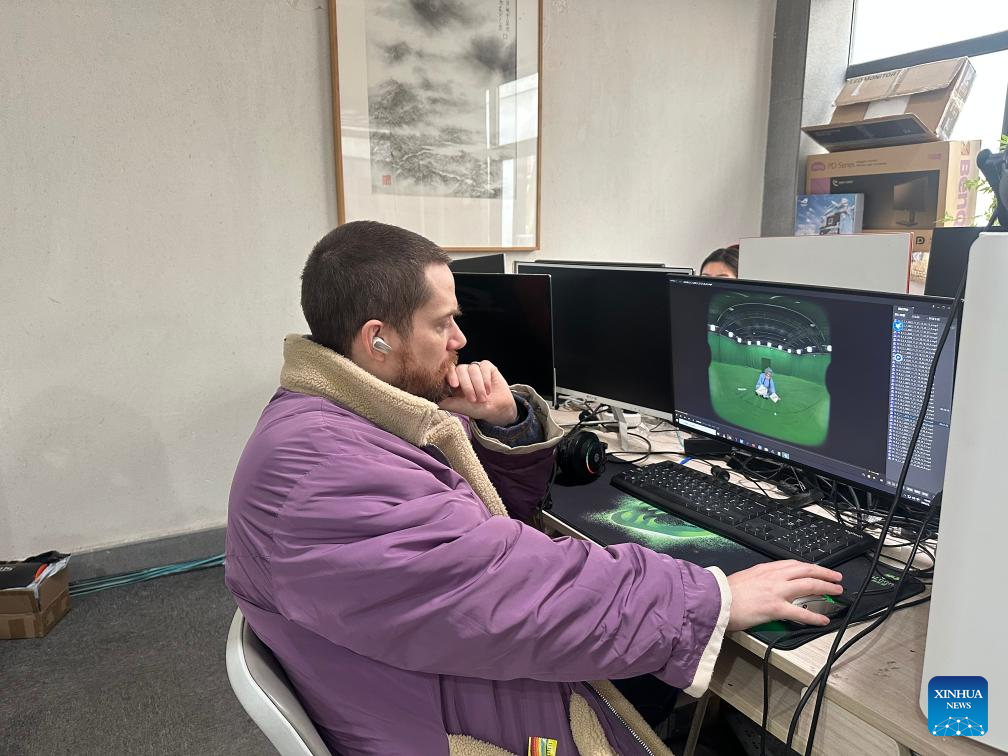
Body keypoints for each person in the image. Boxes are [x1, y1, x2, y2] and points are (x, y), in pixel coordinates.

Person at [225, 221, 842, 756]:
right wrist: (710, 597)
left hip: (425, 680)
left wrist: (504, 425)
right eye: (442, 323)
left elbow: (472, 534)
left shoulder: (335, 424)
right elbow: (513, 592)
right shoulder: (323, 476)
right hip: (459, 725)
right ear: (377, 340)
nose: (460, 340)